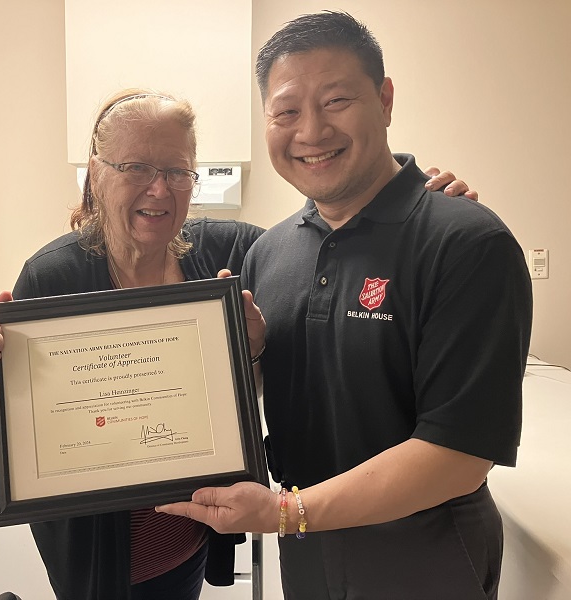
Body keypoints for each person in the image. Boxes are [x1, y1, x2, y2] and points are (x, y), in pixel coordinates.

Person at [0, 88, 474, 599]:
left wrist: (417, 213)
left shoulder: (230, 250)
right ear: (97, 172)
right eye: (137, 167)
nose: (160, 189)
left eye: (177, 171)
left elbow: (326, 246)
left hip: (190, 542)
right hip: (101, 561)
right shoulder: (52, 276)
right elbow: (4, 438)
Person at [157, 11, 532, 600]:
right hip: (308, 548)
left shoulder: (465, 243)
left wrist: (287, 512)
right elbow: (289, 392)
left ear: (384, 99)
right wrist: (245, 357)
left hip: (426, 548)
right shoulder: (269, 252)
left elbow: (461, 451)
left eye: (336, 101)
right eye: (286, 112)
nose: (310, 131)